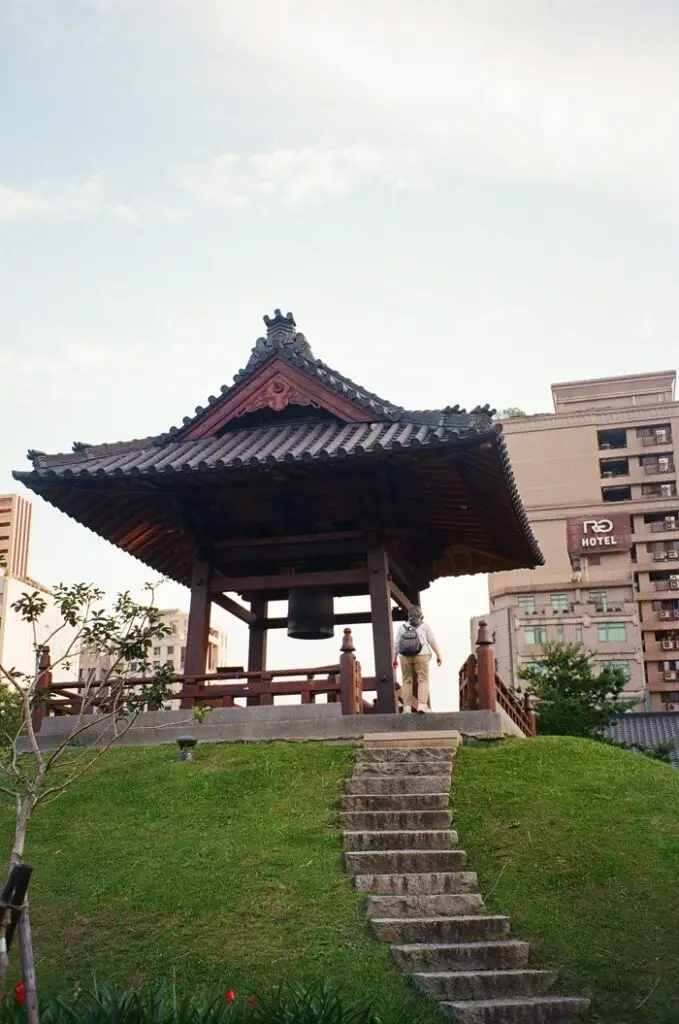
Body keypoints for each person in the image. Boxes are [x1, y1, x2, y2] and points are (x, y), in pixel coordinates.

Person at [392, 605, 442, 714]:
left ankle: (406, 708)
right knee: (422, 679)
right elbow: (431, 640)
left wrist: (394, 658)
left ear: (409, 615)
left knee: (406, 681)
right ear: (420, 615)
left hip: (404, 656)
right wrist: (438, 655)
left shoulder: (402, 627)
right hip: (422, 654)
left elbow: (396, 644)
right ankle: (422, 706)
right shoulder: (424, 626)